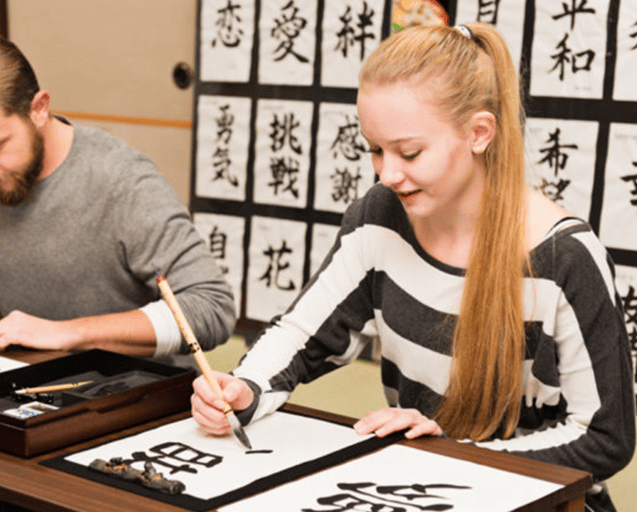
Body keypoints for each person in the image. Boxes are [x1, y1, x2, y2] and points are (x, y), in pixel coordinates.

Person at [190, 22, 635, 511]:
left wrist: (454, 457)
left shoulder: (562, 257)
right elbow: (304, 334)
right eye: (375, 151)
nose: (388, 174)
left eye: (410, 152)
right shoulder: (380, 217)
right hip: (422, 487)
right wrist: (243, 389)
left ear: (479, 133)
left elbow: (603, 439)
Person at [0, 32, 235, 366]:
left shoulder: (121, 179)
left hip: (138, 395)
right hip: (33, 386)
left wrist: (70, 332)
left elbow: (210, 307)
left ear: (38, 108)